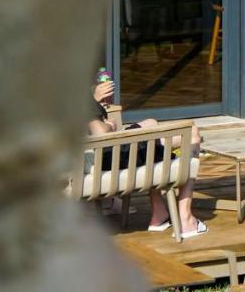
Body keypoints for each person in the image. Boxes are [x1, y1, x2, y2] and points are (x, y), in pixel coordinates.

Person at [87, 80, 206, 239]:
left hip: (95, 156)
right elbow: (100, 133)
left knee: (151, 123)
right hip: (112, 158)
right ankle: (186, 220)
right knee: (191, 132)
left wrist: (95, 102)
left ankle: (159, 213)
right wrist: (109, 125)